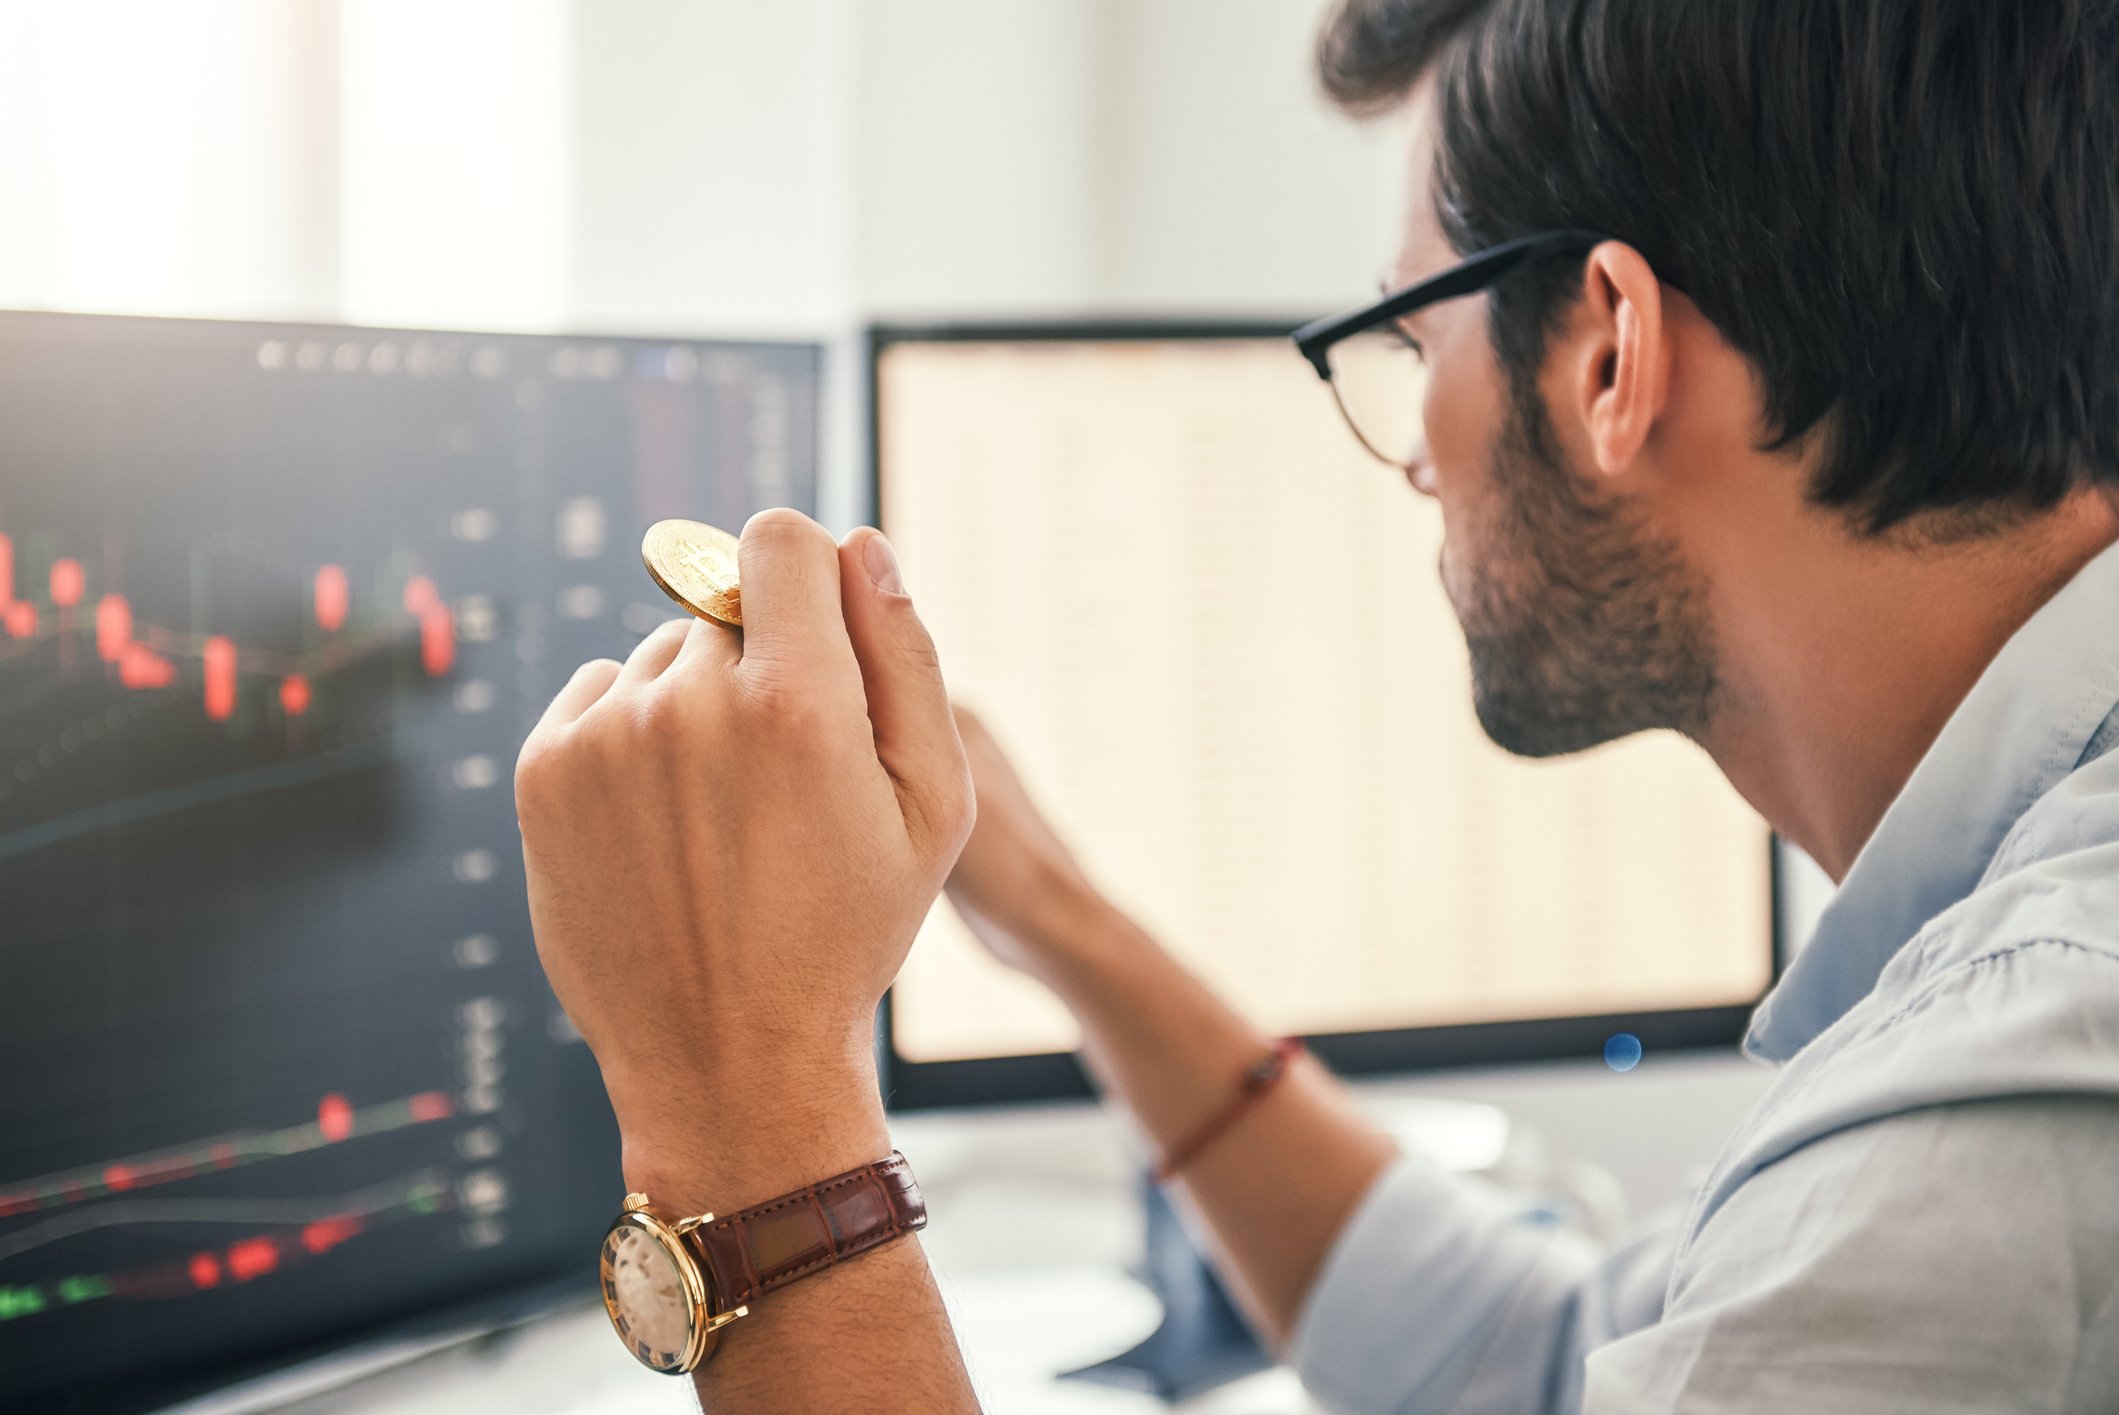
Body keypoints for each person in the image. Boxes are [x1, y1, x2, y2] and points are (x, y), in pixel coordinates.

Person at [510, 0, 2119, 1408]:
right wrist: (1050, 911)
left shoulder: (2009, 1107)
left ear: (1611, 357)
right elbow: (1542, 1370)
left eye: (1411, 339)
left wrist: (747, 1104)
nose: (1413, 446)